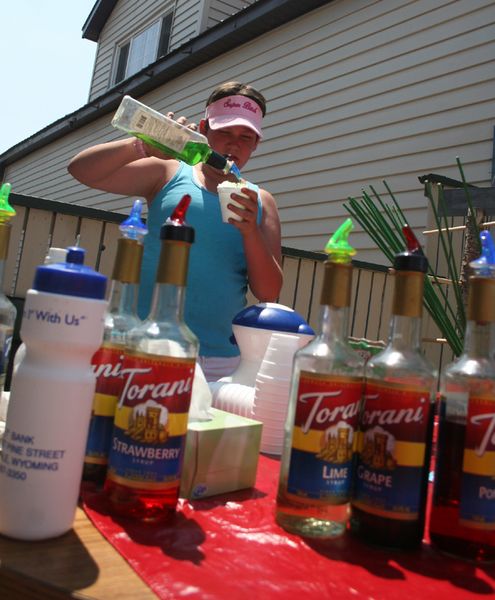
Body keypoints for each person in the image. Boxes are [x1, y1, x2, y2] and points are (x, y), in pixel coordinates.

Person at [68, 81, 283, 380]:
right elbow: (81, 170)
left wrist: (250, 232)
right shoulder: (168, 171)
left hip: (219, 359)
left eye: (246, 137)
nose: (234, 145)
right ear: (204, 129)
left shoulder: (261, 201)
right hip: (145, 343)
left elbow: (269, 292)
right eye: (224, 133)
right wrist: (141, 145)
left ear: (257, 143)